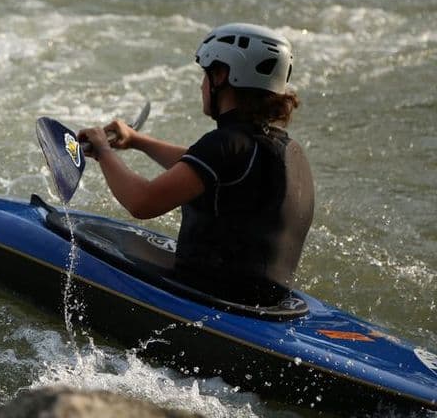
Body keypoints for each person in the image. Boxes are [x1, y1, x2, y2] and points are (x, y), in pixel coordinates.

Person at [77, 23, 314, 306]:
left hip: (208, 299)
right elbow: (202, 168)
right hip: (267, 305)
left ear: (222, 75)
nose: (202, 85)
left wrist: (103, 150)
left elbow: (141, 202)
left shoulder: (225, 144)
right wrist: (138, 141)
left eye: (206, 75)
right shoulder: (285, 149)